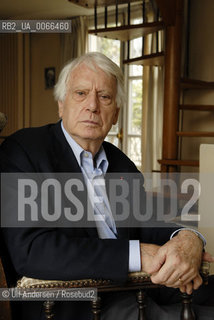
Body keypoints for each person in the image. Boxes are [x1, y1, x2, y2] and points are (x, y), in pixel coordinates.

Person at [0, 52, 214, 320]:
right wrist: (136, 254)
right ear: (60, 104)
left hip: (135, 285)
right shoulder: (24, 152)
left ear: (116, 113)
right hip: (67, 300)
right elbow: (32, 250)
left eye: (105, 97)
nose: (92, 106)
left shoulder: (121, 163)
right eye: (80, 93)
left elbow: (146, 223)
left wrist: (188, 238)